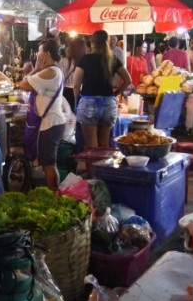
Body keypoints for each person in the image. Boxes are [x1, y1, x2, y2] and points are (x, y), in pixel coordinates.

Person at [18, 39, 66, 190]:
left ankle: (53, 196)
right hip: (52, 122)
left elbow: (24, 85)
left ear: (46, 54)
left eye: (39, 53)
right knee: (48, 163)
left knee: (49, 164)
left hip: (51, 123)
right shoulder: (53, 70)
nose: (37, 56)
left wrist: (36, 68)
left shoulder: (50, 71)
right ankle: (53, 194)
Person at [73, 30, 131, 150]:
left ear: (92, 42)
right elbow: (128, 80)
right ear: (107, 42)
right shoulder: (112, 59)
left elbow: (76, 85)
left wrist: (76, 99)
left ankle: (92, 169)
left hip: (88, 102)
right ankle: (103, 169)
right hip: (109, 103)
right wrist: (115, 94)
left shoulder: (85, 59)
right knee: (105, 144)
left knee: (91, 147)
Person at [59, 38, 86, 113]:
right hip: (82, 92)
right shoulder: (85, 62)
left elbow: (61, 78)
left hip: (67, 91)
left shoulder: (63, 61)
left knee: (69, 117)